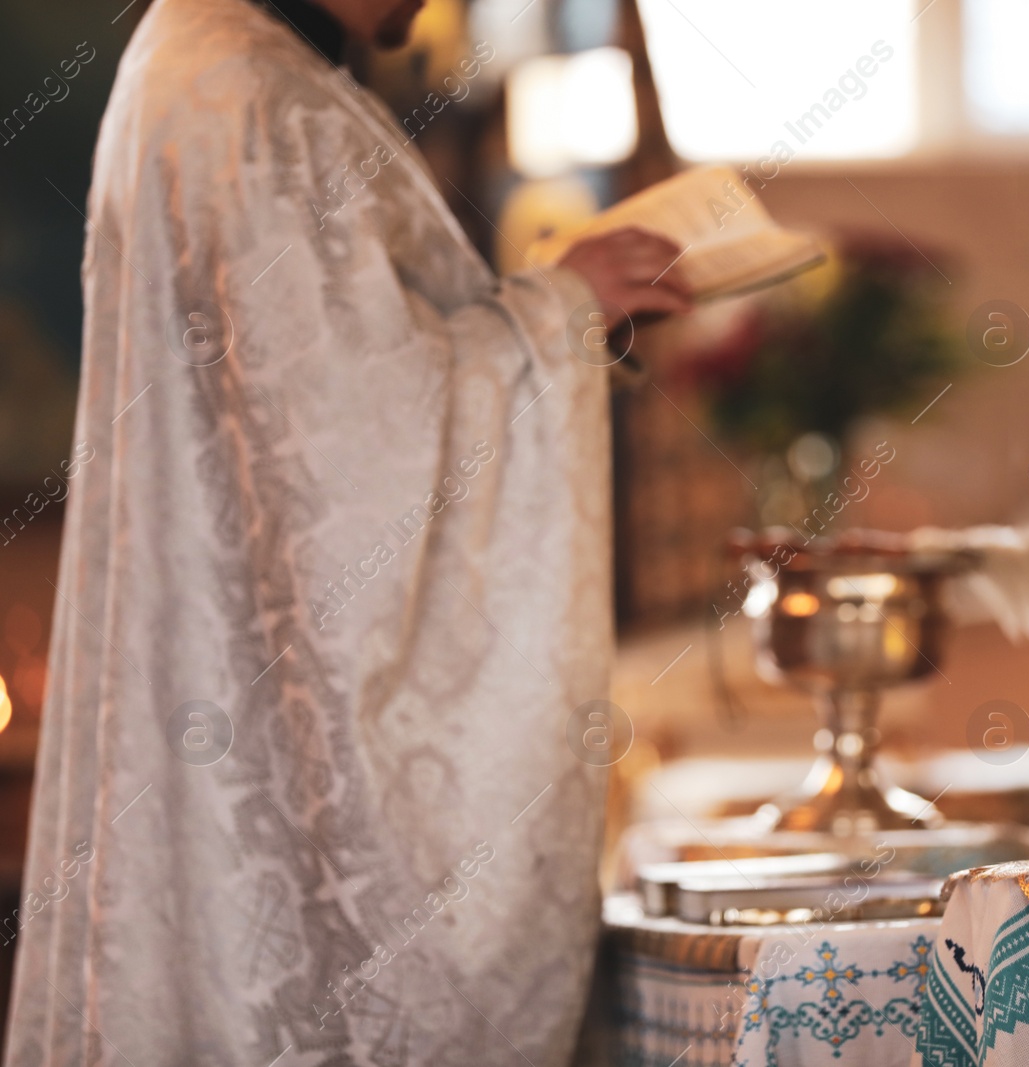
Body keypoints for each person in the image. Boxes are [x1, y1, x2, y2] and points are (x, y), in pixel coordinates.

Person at [5, 0, 690, 1062]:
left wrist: (543, 302)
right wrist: (560, 307)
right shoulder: (248, 93)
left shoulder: (221, 63)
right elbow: (353, 463)